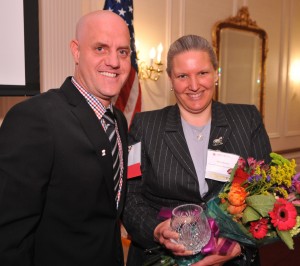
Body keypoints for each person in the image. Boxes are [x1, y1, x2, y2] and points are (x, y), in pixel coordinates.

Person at [122, 34, 272, 266]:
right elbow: (129, 197)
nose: (194, 86)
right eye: (183, 76)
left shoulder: (247, 119)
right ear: (171, 80)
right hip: (161, 258)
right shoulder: (144, 126)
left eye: (202, 73)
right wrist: (157, 230)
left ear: (216, 74)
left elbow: (269, 193)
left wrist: (239, 246)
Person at [0, 10, 131, 265]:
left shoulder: (119, 121)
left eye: (123, 52)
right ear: (76, 51)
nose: (114, 61)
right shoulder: (35, 118)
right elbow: (9, 235)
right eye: (101, 48)